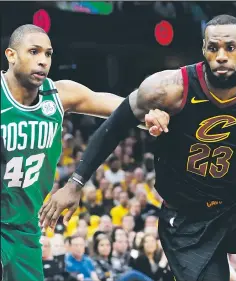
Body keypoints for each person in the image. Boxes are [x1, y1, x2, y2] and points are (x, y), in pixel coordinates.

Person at [40, 15, 236, 281]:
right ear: (204, 49)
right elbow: (114, 125)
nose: (222, 56)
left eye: (230, 47)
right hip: (186, 218)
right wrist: (75, 183)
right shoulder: (169, 87)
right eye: (213, 48)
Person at [0, 24, 169, 281]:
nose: (42, 61)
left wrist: (150, 116)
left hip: (26, 228)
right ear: (11, 55)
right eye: (33, 52)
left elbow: (123, 108)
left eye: (48, 54)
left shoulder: (58, 94)